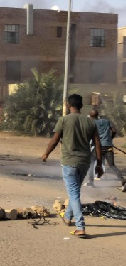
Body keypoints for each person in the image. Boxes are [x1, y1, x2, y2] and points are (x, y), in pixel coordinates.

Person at [42, 94, 103, 238]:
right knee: (74, 192)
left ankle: (80, 227)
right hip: (84, 162)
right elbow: (98, 144)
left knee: (74, 193)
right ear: (81, 106)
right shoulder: (90, 122)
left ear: (68, 105)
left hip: (69, 162)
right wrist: (99, 164)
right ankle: (68, 217)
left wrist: (46, 154)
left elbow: (54, 140)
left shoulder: (63, 120)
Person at [86, 109, 126, 191]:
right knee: (112, 165)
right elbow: (114, 130)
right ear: (98, 115)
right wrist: (110, 139)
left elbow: (89, 135)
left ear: (90, 116)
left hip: (98, 147)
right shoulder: (106, 121)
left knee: (91, 163)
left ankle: (91, 182)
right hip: (108, 146)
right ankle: (123, 181)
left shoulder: (91, 123)